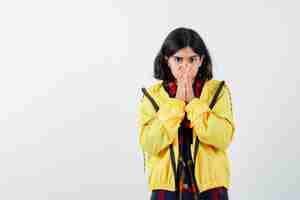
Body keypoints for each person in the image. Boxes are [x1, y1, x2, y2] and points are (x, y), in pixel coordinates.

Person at [137, 27, 235, 200]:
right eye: (178, 59)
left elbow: (223, 137)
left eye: (192, 59)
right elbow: (149, 143)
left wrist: (194, 103)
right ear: (167, 60)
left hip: (210, 188)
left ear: (201, 60)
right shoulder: (152, 96)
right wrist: (176, 104)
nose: (185, 66)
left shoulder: (218, 91)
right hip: (166, 188)